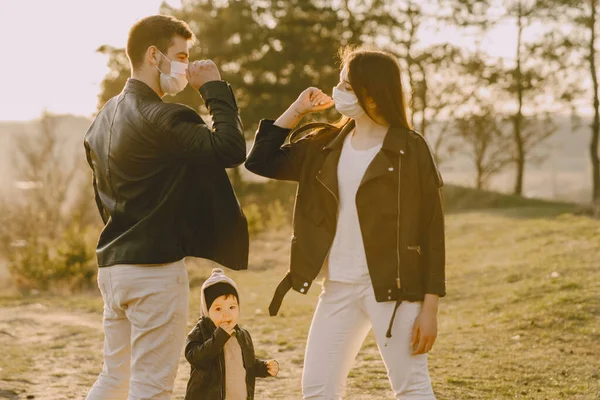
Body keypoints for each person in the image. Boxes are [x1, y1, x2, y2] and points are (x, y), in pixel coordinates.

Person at [245, 46, 445, 399]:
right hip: (337, 286)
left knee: (411, 387)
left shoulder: (410, 149)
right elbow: (260, 162)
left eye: (347, 85)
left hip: (394, 290)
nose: (338, 91)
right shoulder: (324, 145)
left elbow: (432, 230)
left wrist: (430, 309)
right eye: (340, 82)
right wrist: (296, 110)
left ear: (375, 93)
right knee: (318, 388)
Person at [84, 15, 248, 400]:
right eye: (182, 55)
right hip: (153, 273)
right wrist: (214, 88)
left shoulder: (102, 118)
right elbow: (230, 149)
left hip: (112, 268)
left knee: (114, 377)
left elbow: (101, 198)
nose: (187, 67)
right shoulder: (163, 116)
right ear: (154, 55)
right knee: (151, 387)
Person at [185, 268, 279, 400]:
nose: (226, 313)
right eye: (218, 309)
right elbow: (196, 358)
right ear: (207, 311)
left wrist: (264, 368)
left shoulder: (243, 335)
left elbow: (247, 365)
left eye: (232, 307)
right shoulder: (200, 332)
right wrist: (219, 337)